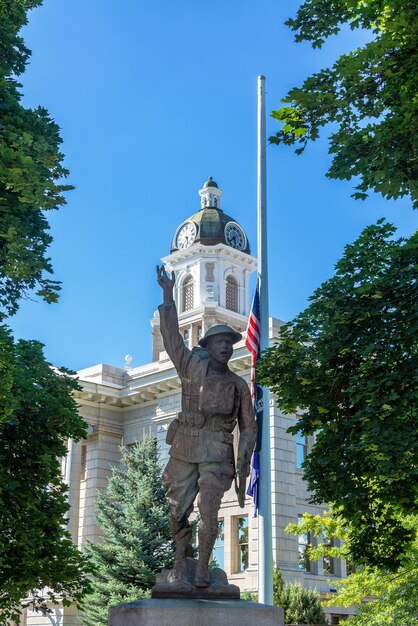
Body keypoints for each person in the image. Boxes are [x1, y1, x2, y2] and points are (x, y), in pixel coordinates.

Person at [156, 265, 257, 587]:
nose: (226, 346)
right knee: (177, 510)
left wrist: (242, 465)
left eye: (230, 342)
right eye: (219, 342)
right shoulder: (190, 366)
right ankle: (179, 559)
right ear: (208, 346)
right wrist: (168, 294)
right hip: (185, 447)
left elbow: (250, 426)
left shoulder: (238, 385)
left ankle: (202, 568)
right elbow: (171, 338)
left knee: (210, 510)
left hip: (217, 452)